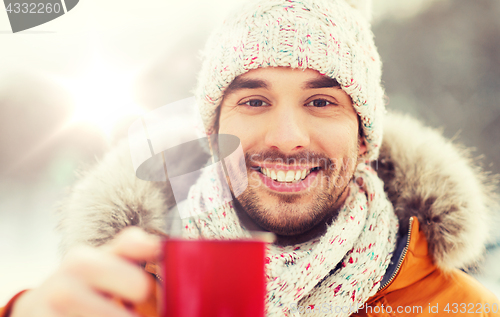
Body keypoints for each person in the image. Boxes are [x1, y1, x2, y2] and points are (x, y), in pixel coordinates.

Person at [2, 0, 500, 316]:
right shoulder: (124, 300)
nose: (286, 138)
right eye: (254, 101)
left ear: (365, 137)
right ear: (213, 130)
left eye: (322, 102)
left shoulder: (460, 310)